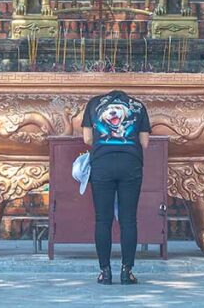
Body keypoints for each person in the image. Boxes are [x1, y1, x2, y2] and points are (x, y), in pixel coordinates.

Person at [81, 89, 151, 285]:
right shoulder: (138, 105)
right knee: (129, 219)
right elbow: (144, 142)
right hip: (131, 165)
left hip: (102, 165)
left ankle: (105, 272)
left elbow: (87, 139)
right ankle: (126, 272)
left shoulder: (93, 103)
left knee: (103, 220)